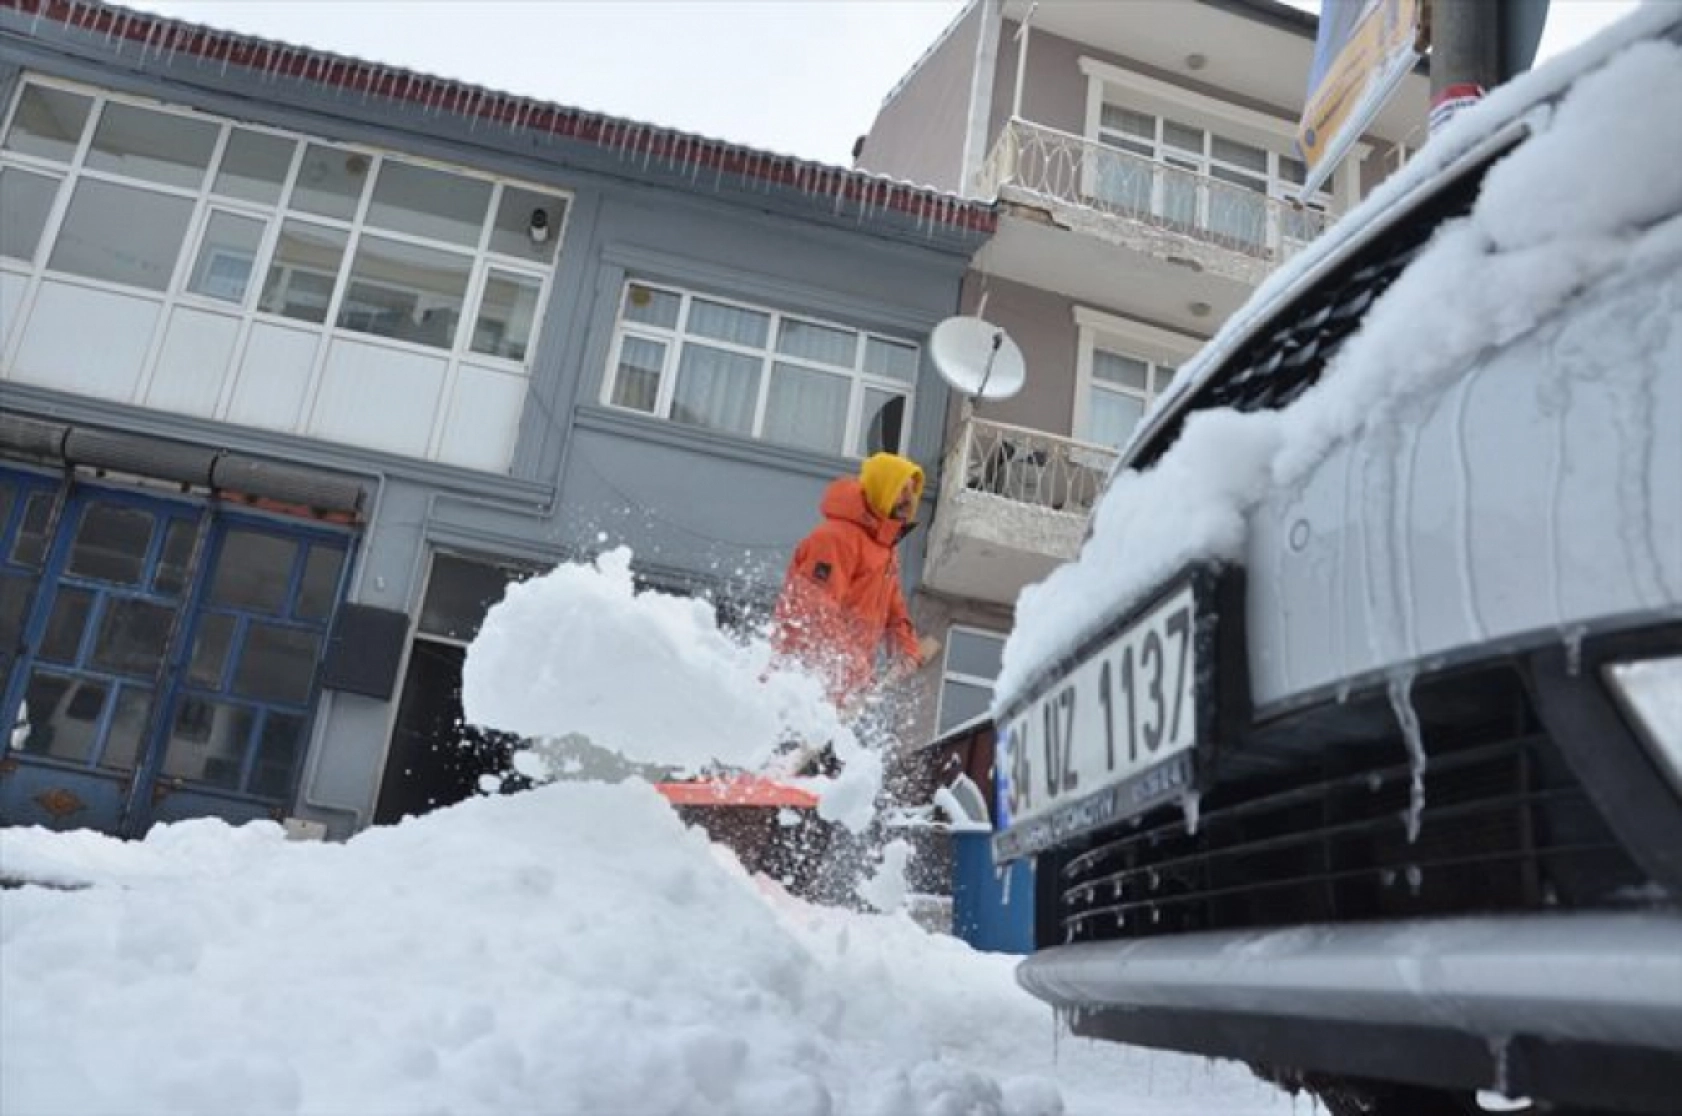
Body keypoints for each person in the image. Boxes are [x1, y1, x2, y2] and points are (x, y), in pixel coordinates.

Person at [771, 452, 940, 712]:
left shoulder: (885, 549)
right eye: (901, 490)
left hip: (839, 685)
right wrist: (854, 665)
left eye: (912, 491)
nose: (909, 499)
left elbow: (893, 609)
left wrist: (906, 649)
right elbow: (816, 608)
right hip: (800, 676)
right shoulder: (835, 538)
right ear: (881, 489)